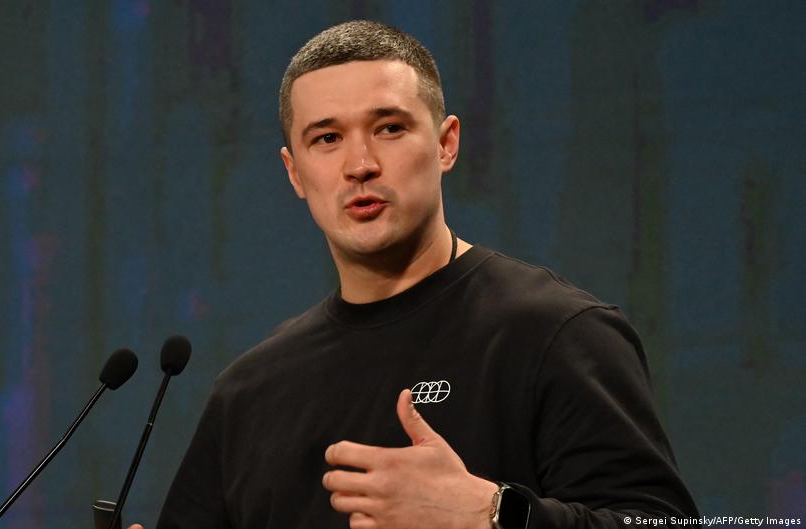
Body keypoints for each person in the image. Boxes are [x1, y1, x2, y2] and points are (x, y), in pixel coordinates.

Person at [134, 20, 698, 529]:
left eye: (389, 128)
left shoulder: (557, 334)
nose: (360, 165)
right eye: (327, 139)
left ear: (446, 144)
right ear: (295, 172)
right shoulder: (248, 393)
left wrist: (494, 514)